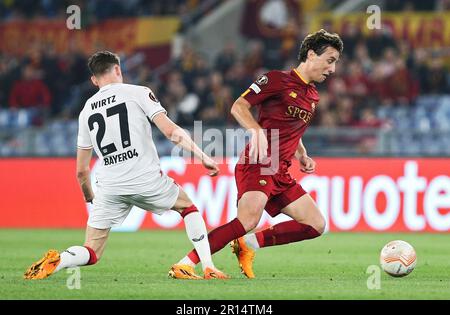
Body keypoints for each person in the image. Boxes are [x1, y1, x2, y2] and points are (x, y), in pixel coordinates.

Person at [24, 51, 228, 280]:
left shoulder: (86, 111)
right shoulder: (138, 93)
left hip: (109, 186)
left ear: (94, 80)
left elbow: (81, 170)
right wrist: (203, 156)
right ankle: (208, 267)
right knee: (188, 208)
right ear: (118, 69)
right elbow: (171, 132)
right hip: (145, 178)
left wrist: (89, 196)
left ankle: (60, 260)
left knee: (92, 251)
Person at [171, 29, 343, 279]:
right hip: (260, 162)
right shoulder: (276, 79)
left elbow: (291, 129)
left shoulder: (312, 95)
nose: (333, 69)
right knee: (248, 219)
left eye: (335, 63)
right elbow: (238, 106)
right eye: (330, 60)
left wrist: (302, 154)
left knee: (316, 224)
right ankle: (185, 263)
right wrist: (257, 131)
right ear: (311, 54)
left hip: (281, 170)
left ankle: (248, 244)